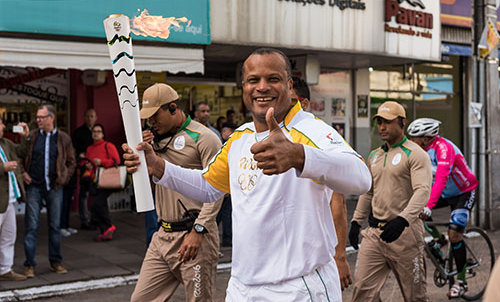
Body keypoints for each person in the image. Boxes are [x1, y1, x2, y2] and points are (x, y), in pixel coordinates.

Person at [124, 48, 371, 301]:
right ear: (244, 86)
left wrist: (300, 156)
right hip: (243, 287)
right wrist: (158, 167)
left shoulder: (311, 130)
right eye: (253, 80)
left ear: (288, 84)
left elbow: (361, 178)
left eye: (272, 79)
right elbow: (208, 187)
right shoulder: (240, 138)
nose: (262, 87)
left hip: (299, 286)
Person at [130, 83, 223, 302]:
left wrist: (199, 231)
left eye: (155, 116)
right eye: (147, 118)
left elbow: (218, 189)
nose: (151, 122)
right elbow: (148, 184)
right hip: (162, 235)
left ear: (173, 108)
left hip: (194, 237)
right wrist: (138, 161)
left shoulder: (205, 138)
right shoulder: (153, 141)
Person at [348, 101, 432, 302]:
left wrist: (403, 220)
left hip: (406, 235)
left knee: (415, 296)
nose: (382, 127)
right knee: (361, 291)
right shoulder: (374, 156)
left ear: (402, 122)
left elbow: (422, 191)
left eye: (387, 122)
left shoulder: (415, 154)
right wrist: (356, 222)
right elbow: (368, 192)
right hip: (375, 235)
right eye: (379, 122)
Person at [291, 76, 352, 291]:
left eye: (289, 101)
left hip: (312, 263)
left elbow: (338, 206)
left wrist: (340, 256)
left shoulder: (322, 138)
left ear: (304, 104)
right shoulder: (263, 137)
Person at [407, 118, 478, 299]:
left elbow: (441, 178)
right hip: (446, 194)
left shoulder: (444, 148)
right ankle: (440, 240)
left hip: (464, 192)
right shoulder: (420, 150)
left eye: (414, 137)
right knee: (417, 209)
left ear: (425, 137)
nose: (411, 141)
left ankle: (461, 282)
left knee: (455, 234)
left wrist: (429, 206)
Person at [23, 104, 76, 278]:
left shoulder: (63, 138)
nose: (38, 120)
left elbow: (71, 162)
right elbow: (20, 154)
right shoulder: (32, 136)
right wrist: (23, 173)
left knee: (55, 226)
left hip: (54, 187)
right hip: (34, 188)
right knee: (31, 226)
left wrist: (64, 179)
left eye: (42, 117)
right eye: (37, 117)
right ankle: (29, 265)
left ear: (51, 118)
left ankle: (56, 262)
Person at [0, 119, 30, 281]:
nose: (4, 126)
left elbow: (22, 152)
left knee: (8, 236)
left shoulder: (5, 143)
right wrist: (2, 168)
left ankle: (4, 270)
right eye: (0, 123)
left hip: (9, 199)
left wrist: (26, 137)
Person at [85, 123, 120, 242]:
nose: (96, 133)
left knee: (97, 204)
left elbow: (116, 161)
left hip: (106, 180)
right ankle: (105, 231)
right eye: (94, 131)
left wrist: (102, 161)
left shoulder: (108, 146)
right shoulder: (89, 149)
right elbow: (90, 164)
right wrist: (89, 165)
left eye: (98, 131)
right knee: (98, 205)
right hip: (95, 180)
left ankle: (109, 227)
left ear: (103, 134)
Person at [72, 108, 97, 230]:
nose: (89, 118)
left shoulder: (99, 130)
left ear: (96, 118)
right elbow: (74, 150)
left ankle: (95, 219)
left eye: (92, 116)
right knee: (84, 194)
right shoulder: (79, 132)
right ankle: (84, 220)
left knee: (96, 195)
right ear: (84, 118)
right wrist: (80, 157)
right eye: (87, 116)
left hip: (97, 167)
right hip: (84, 167)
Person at [216, 121, 237, 248]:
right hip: (222, 185)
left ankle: (227, 238)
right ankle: (225, 238)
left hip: (227, 186)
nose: (229, 134)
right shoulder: (221, 146)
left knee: (225, 213)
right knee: (221, 213)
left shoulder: (231, 145)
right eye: (228, 131)